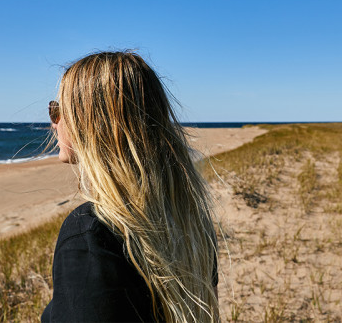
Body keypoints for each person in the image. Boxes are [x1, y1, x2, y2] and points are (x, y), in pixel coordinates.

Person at [40, 51, 219, 323]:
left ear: (87, 121)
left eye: (57, 111)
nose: (54, 124)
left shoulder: (91, 232)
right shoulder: (190, 219)